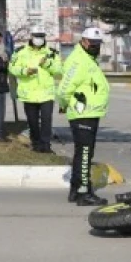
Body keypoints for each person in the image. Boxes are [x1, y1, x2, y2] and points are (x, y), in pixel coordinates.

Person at [57, 27, 110, 206]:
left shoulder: (87, 58)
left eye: (98, 44)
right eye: (92, 43)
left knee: (83, 152)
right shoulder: (78, 60)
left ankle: (75, 190)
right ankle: (83, 193)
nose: (95, 46)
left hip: (89, 112)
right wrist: (64, 105)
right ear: (83, 41)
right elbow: (64, 88)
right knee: (85, 153)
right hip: (82, 113)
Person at [8, 30, 62, 153]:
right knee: (32, 122)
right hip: (29, 94)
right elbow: (12, 68)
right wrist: (25, 71)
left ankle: (46, 145)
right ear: (31, 37)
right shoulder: (20, 52)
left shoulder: (52, 53)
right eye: (37, 36)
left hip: (46, 94)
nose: (39, 38)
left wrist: (47, 64)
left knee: (46, 121)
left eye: (41, 36)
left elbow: (59, 71)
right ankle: (36, 144)